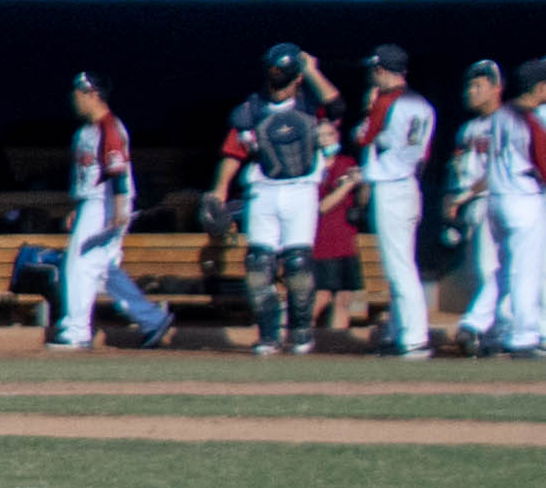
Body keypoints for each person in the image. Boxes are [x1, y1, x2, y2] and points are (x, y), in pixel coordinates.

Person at [223, 44, 342, 358]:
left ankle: (301, 332)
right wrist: (218, 190)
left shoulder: (310, 103)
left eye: (285, 74)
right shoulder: (252, 107)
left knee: (298, 264)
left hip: (301, 188)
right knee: (258, 265)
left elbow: (337, 106)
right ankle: (268, 334)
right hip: (264, 189)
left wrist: (312, 70)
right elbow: (234, 152)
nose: (278, 80)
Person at [52, 71, 168, 349]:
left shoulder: (109, 126)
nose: (74, 99)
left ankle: (77, 330)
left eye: (78, 93)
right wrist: (76, 208)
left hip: (105, 202)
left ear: (92, 94)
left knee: (79, 264)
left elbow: (117, 171)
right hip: (91, 202)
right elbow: (86, 176)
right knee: (103, 269)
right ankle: (152, 319)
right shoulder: (85, 131)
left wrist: (118, 208)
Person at [358, 46, 440, 358]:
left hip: (391, 186)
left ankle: (415, 338)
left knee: (400, 267)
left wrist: (368, 110)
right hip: (408, 183)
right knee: (399, 265)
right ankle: (398, 332)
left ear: (381, 70)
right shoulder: (422, 104)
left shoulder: (386, 101)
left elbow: (364, 137)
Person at [459, 60, 541, 357]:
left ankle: (477, 323)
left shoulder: (502, 116)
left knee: (507, 268)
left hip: (498, 199)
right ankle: (520, 336)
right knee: (521, 272)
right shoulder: (530, 118)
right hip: (522, 199)